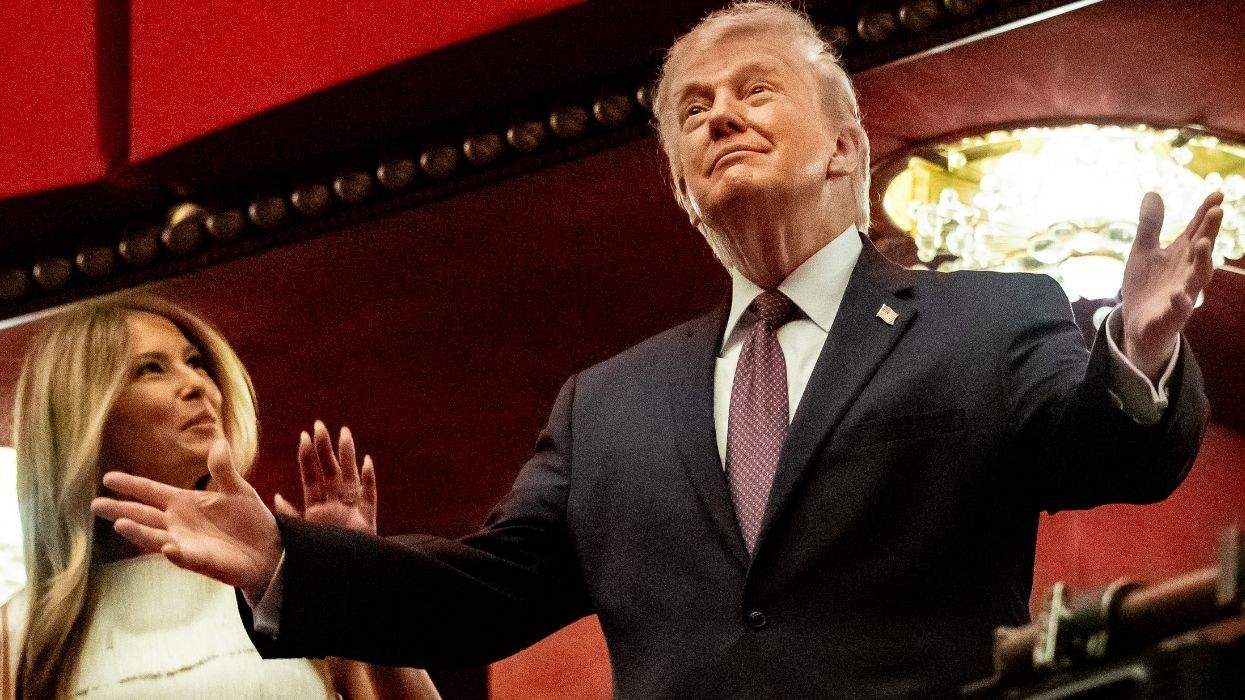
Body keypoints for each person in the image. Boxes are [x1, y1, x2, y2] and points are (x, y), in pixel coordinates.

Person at [92, 2, 1219, 696]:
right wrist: (290, 559)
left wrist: (1135, 350)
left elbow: (1113, 452)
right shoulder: (607, 406)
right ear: (682, 189)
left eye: (753, 91)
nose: (718, 115)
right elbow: (481, 598)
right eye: (692, 111)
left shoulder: (985, 316)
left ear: (845, 147)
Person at [0, 293, 439, 699]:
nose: (197, 384)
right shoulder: (23, 636)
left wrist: (361, 580)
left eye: (196, 362)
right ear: (82, 416)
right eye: (150, 368)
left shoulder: (283, 578)